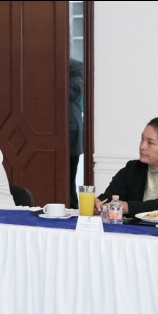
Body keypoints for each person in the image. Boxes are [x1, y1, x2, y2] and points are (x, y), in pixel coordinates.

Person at [68, 58, 84, 209]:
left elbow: (73, 93)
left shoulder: (75, 66)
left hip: (69, 134)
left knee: (67, 184)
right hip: (38, 135)